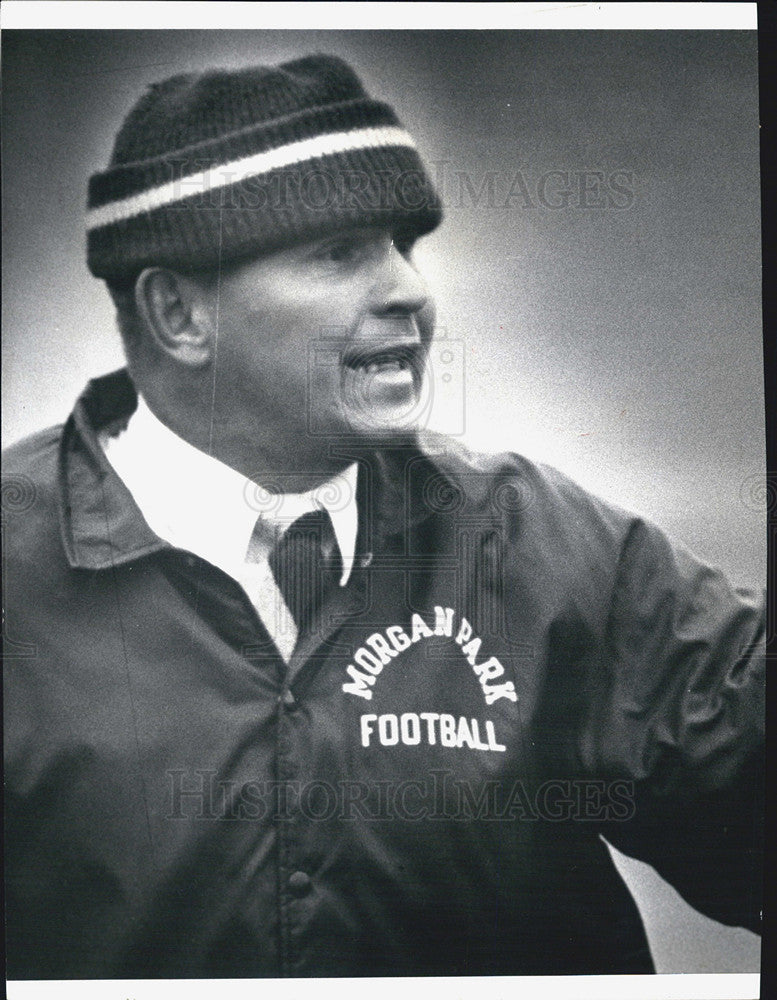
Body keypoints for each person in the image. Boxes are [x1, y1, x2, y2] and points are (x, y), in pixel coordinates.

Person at [3, 53, 764, 979]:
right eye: (340, 252)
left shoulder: (536, 542)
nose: (407, 290)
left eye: (403, 246)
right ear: (178, 314)